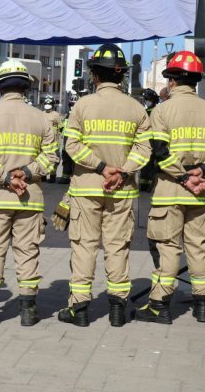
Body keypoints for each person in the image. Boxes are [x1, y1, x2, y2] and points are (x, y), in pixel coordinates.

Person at [134, 51, 205, 325]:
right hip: (200, 194)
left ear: (173, 81)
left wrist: (182, 177)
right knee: (198, 248)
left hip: (170, 191)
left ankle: (159, 305)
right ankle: (203, 305)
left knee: (167, 248)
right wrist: (201, 171)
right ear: (196, 81)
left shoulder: (163, 110)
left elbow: (159, 152)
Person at [58, 43, 152, 328]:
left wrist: (101, 168)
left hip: (87, 188)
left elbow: (71, 145)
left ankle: (80, 307)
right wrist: (121, 172)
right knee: (117, 246)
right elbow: (144, 150)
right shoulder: (136, 108)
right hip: (121, 190)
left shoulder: (82, 106)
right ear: (121, 75)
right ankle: (118, 308)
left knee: (84, 245)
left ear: (95, 76)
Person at [0, 60, 58, 327]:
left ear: (0, 86)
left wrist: (6, 177)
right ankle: (29, 310)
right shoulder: (41, 118)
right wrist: (26, 174)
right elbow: (51, 157)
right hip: (29, 199)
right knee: (28, 253)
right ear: (26, 87)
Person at [139, 89, 161, 192]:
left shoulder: (147, 113)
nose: (146, 101)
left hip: (148, 142)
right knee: (151, 165)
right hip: (157, 142)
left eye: (147, 99)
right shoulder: (160, 112)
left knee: (147, 166)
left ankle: (145, 186)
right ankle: (148, 185)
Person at [42, 95, 62, 183]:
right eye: (46, 103)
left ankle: (53, 176)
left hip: (54, 141)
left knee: (54, 158)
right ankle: (43, 176)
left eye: (49, 103)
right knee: (43, 158)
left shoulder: (56, 115)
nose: (47, 105)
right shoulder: (41, 114)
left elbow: (61, 127)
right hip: (43, 141)